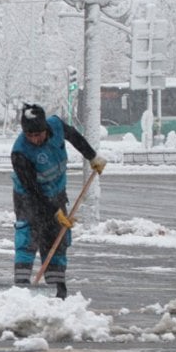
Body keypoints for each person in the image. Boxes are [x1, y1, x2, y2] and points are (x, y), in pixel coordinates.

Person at [11, 103, 107, 299]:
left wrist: (92, 157)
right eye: (30, 136)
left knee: (57, 239)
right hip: (28, 198)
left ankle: (57, 290)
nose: (35, 140)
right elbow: (33, 190)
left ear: (46, 128)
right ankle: (20, 290)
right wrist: (54, 212)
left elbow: (75, 138)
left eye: (38, 134)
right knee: (28, 238)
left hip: (56, 192)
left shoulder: (56, 125)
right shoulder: (20, 152)